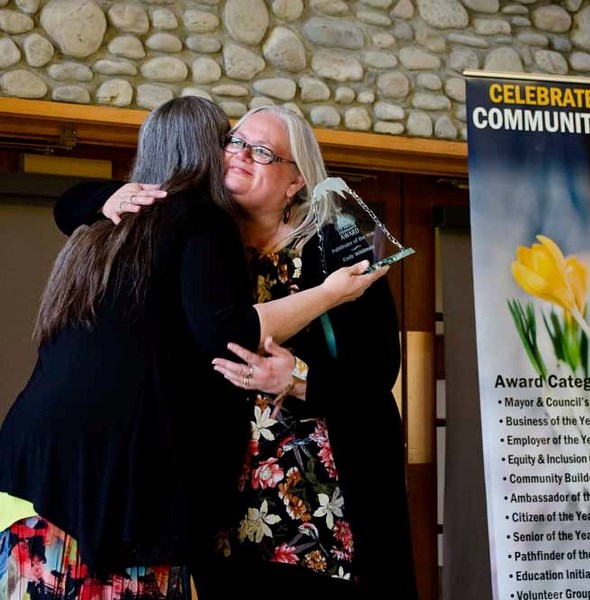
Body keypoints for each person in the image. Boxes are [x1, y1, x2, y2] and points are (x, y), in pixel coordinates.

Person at [0, 97, 385, 600]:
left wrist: (298, 378)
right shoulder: (183, 221)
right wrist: (331, 293)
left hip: (294, 495)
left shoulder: (335, 245)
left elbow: (377, 370)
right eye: (235, 142)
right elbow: (230, 329)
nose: (241, 155)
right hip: (147, 484)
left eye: (262, 151)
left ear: (296, 181)